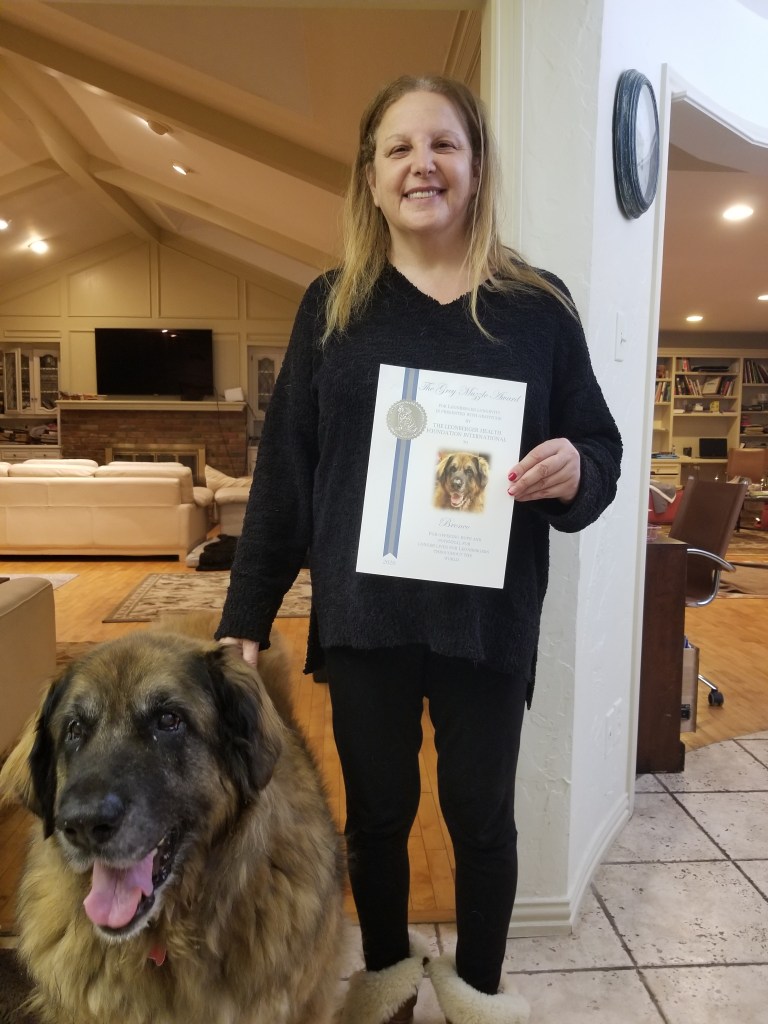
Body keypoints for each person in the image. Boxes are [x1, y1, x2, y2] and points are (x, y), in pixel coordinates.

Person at [216, 74, 622, 1024]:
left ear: (476, 167)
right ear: (370, 175)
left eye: (442, 145)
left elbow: (596, 449)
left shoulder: (536, 305)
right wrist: (247, 613)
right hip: (367, 617)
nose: (421, 165)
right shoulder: (333, 306)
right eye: (398, 149)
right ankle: (390, 985)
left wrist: (575, 468)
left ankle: (480, 993)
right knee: (380, 819)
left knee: (482, 821)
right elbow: (287, 473)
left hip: (487, 617)